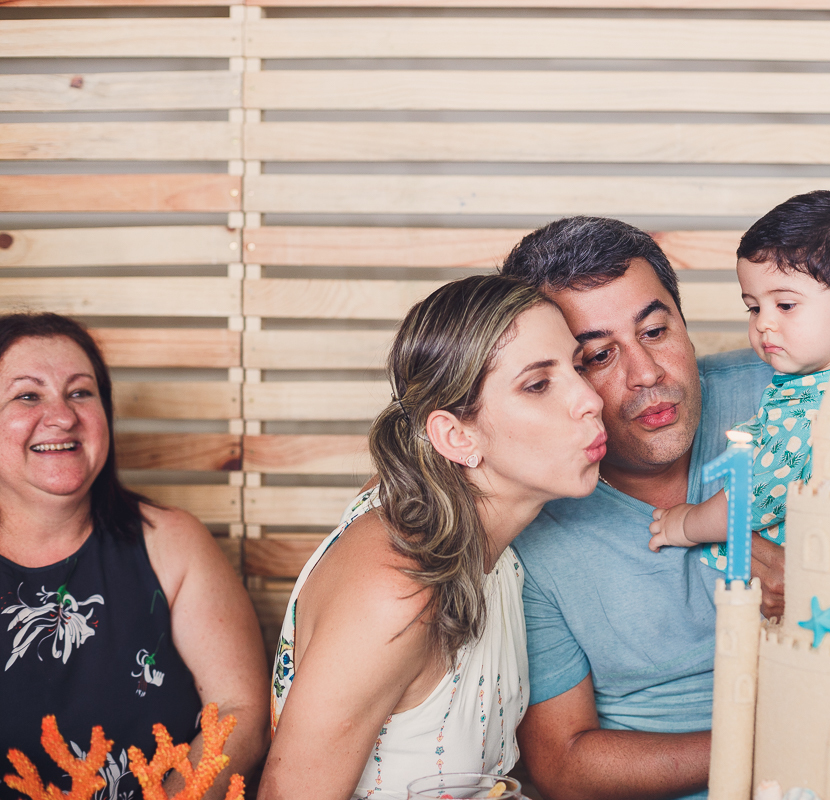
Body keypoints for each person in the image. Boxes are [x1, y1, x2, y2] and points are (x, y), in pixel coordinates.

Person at [260, 276, 605, 799]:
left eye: (580, 366)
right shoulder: (396, 590)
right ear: (455, 436)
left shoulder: (493, 546)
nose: (590, 399)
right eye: (538, 384)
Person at [500, 217, 774, 800]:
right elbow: (563, 764)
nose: (646, 374)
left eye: (654, 331)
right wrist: (766, 742)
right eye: (598, 355)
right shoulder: (527, 520)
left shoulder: (790, 399)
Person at [0, 313, 268, 800]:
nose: (63, 416)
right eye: (27, 394)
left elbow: (240, 710)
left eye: (81, 392)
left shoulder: (173, 543)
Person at [648, 190, 830, 557]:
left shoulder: (812, 412)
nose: (764, 324)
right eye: (753, 308)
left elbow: (750, 496)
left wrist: (686, 524)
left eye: (786, 305)